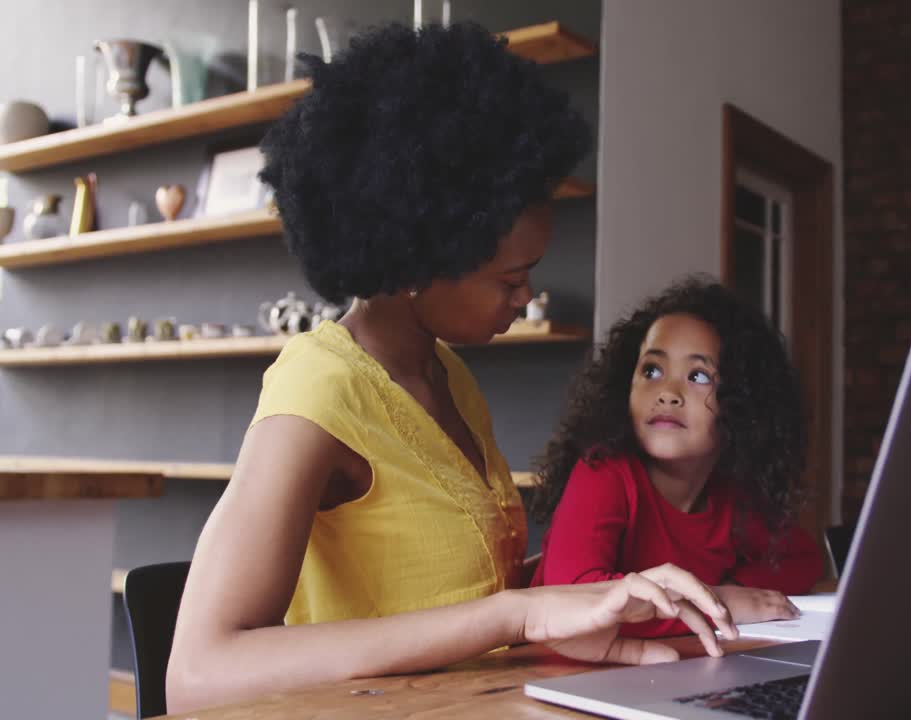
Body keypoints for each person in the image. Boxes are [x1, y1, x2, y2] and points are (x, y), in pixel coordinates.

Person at [166, 23, 735, 714]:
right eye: (511, 277)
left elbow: (445, 599)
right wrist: (519, 615)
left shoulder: (447, 377)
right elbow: (199, 670)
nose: (525, 296)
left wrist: (591, 596)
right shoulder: (319, 388)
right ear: (416, 261)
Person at [530, 277, 824, 636]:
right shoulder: (605, 470)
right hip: (550, 679)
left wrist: (737, 587)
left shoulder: (731, 497)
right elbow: (574, 601)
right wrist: (715, 602)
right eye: (651, 370)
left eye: (698, 376)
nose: (668, 393)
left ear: (742, 407)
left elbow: (803, 559)